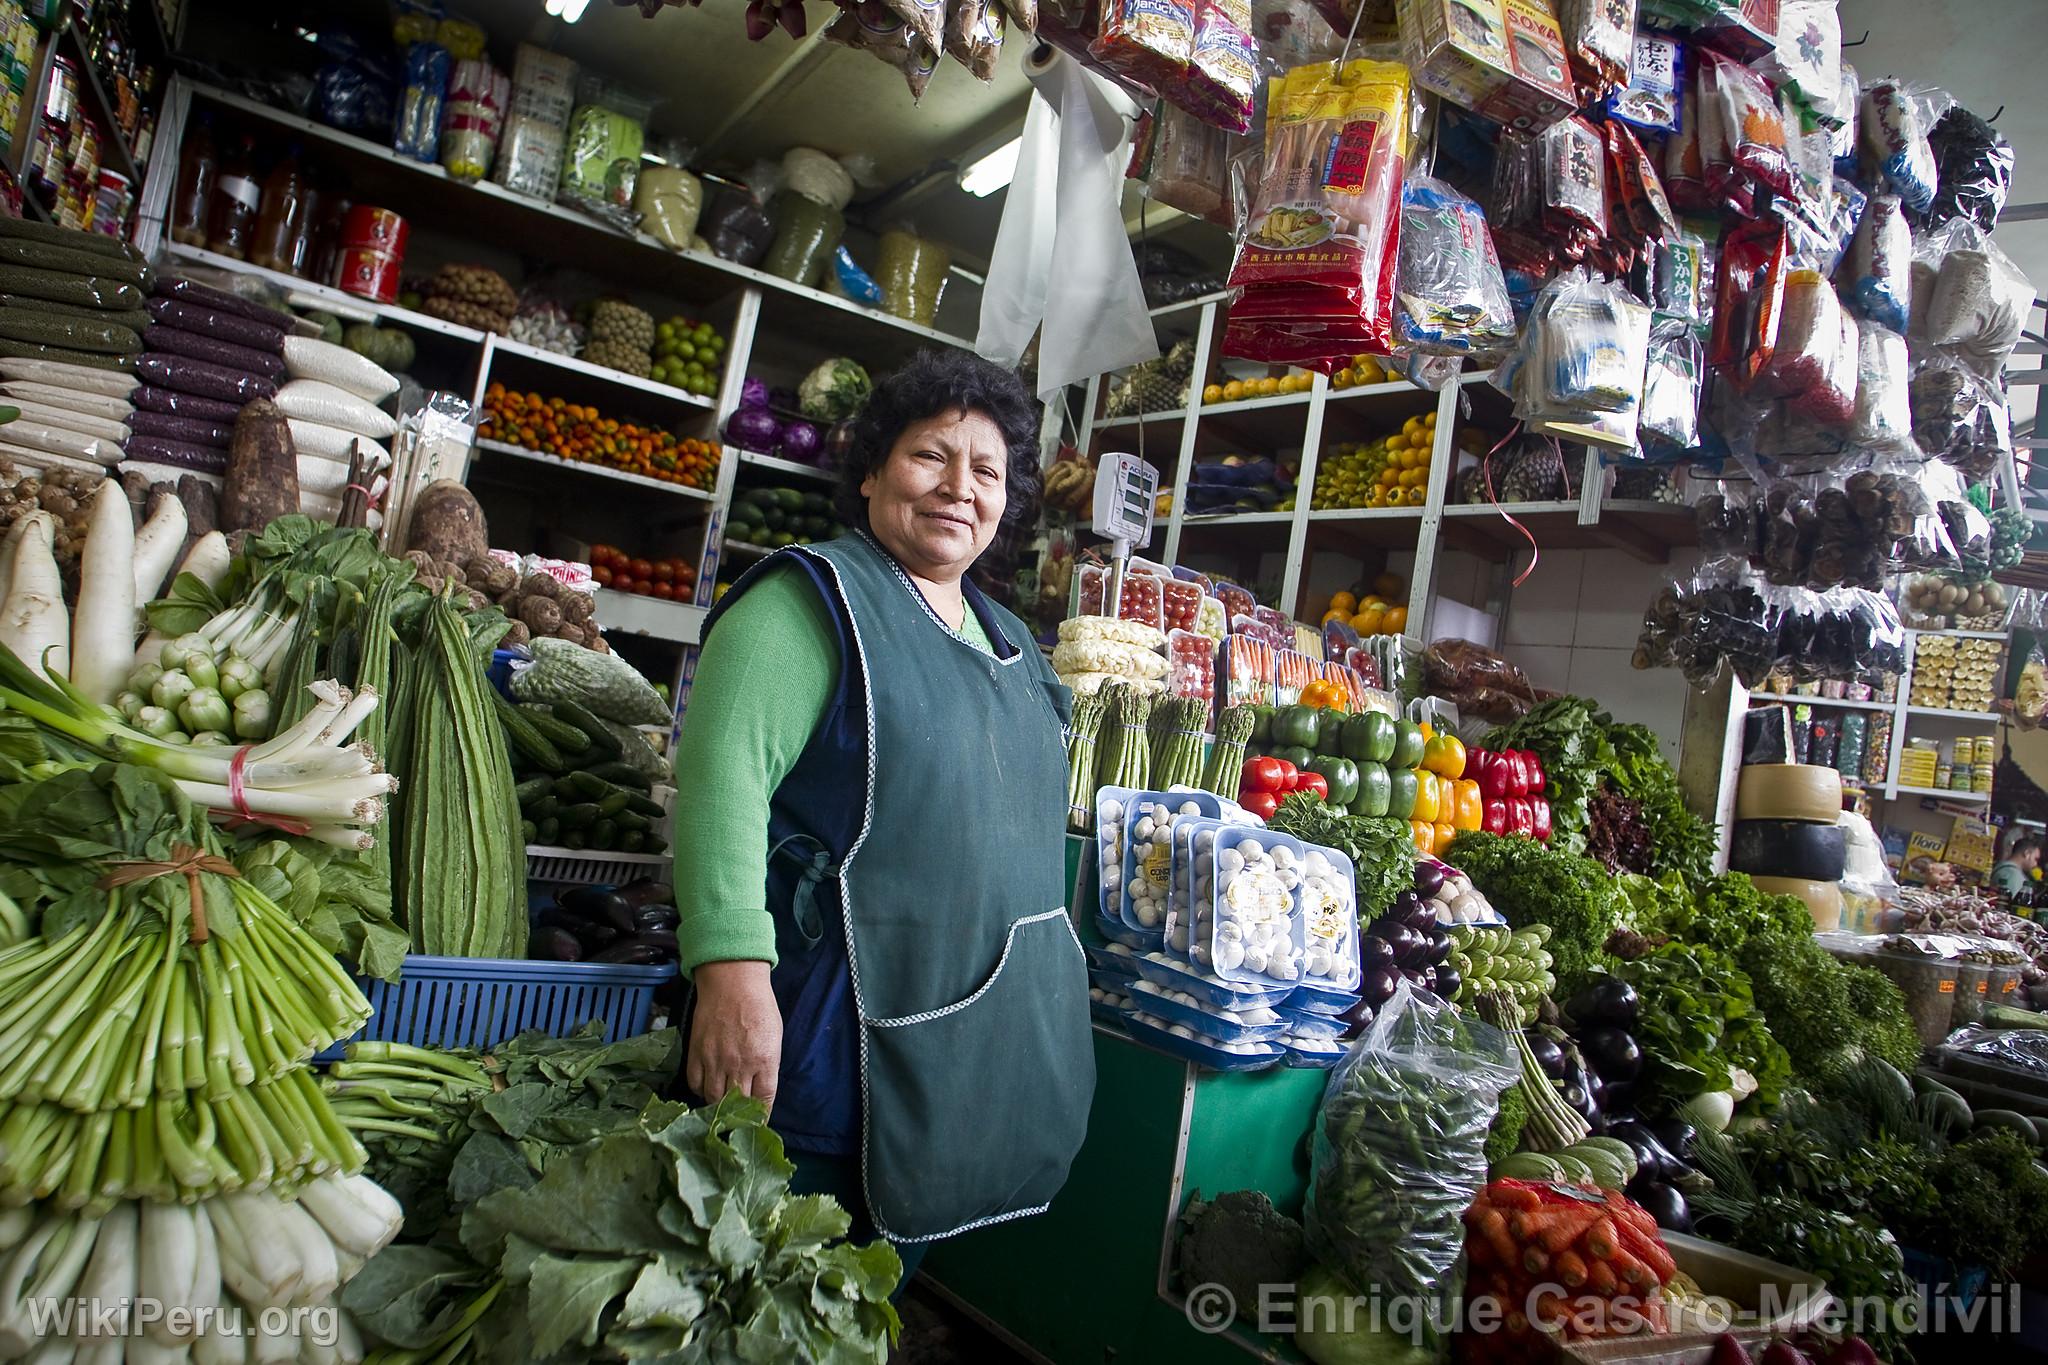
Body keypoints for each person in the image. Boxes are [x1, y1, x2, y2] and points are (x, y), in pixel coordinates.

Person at [668, 349, 1094, 1278]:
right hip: (830, 1041)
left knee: (869, 1297)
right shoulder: (807, 602)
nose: (958, 487)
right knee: (774, 1293)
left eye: (986, 471)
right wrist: (730, 975)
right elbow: (720, 782)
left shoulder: (1013, 642)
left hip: (963, 1053)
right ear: (870, 471)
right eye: (929, 455)